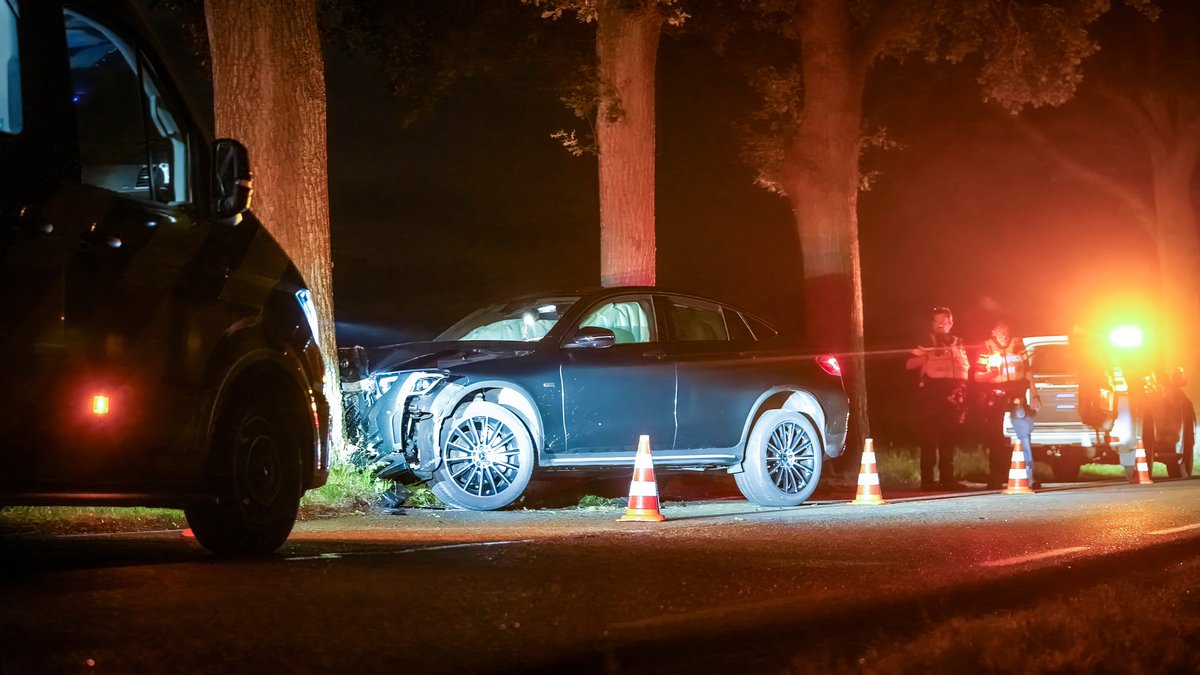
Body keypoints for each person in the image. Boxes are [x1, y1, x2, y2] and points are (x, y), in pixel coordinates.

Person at [906, 307, 970, 490]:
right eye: (937, 322)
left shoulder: (958, 342)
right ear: (932, 324)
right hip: (931, 395)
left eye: (944, 322)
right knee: (929, 440)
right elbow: (909, 363)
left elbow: (964, 366)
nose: (941, 325)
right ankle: (927, 481)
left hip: (954, 394)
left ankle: (947, 479)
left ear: (951, 323)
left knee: (949, 440)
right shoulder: (926, 341)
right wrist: (928, 354)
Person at [974, 321, 1040, 488]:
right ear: (993, 332)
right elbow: (977, 376)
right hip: (996, 396)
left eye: (1006, 331)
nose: (1004, 335)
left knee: (1023, 435)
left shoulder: (1018, 344)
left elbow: (1028, 371)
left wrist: (1035, 393)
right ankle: (996, 477)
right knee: (995, 439)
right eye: (1000, 331)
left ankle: (1030, 477)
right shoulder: (986, 348)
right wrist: (990, 374)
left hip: (1017, 396)